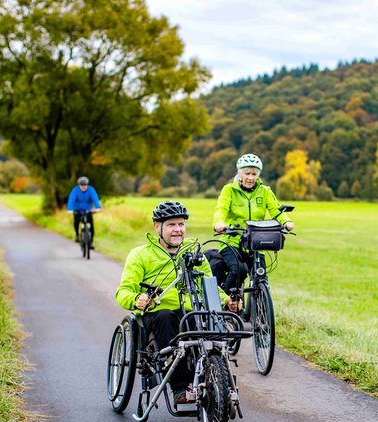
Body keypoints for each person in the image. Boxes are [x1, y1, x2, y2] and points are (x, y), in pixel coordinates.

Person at [115, 201, 241, 404]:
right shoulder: (141, 254)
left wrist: (227, 300)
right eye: (171, 225)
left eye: (181, 224)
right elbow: (122, 292)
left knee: (211, 324)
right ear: (158, 227)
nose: (178, 230)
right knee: (168, 318)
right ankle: (181, 389)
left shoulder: (194, 253)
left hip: (191, 312)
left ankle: (219, 382)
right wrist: (137, 300)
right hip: (158, 315)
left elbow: (208, 286)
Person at [212, 153, 294, 293]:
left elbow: (276, 210)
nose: (250, 177)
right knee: (238, 270)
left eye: (254, 174)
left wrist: (286, 221)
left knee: (261, 277)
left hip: (256, 242)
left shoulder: (265, 191)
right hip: (232, 240)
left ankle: (260, 308)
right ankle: (226, 301)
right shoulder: (229, 190)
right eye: (247, 173)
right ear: (239, 173)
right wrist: (219, 223)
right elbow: (221, 209)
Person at [67, 176, 101, 247]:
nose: (83, 186)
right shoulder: (75, 190)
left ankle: (91, 242)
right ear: (79, 185)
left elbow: (95, 199)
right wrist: (69, 209)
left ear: (87, 185)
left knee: (91, 226)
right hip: (78, 210)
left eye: (85, 185)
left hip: (88, 210)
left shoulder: (91, 190)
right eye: (81, 185)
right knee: (76, 222)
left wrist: (98, 207)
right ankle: (77, 235)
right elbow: (71, 199)